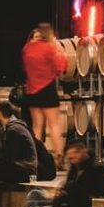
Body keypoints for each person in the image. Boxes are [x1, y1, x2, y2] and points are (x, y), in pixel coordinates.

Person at [22, 23, 70, 170]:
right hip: (47, 88)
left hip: (32, 90)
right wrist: (57, 46)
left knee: (37, 126)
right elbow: (62, 66)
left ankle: (36, 157)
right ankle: (58, 156)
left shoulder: (27, 48)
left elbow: (25, 68)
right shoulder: (50, 47)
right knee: (54, 124)